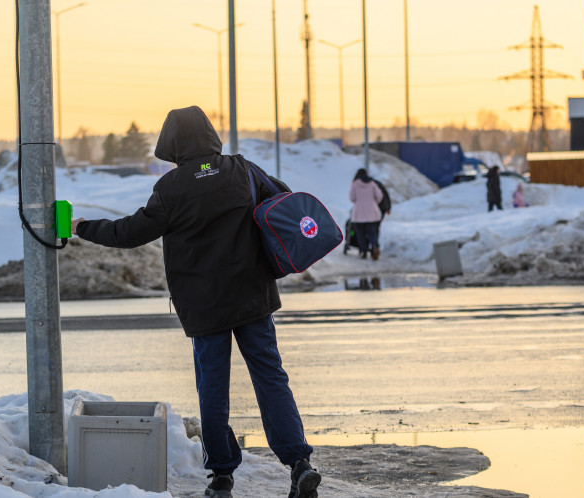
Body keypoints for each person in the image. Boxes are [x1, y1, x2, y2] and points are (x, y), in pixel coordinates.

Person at [71, 106, 321, 498]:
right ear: (209, 135)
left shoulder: (172, 188)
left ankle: (222, 476)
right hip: (253, 296)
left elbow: (130, 232)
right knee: (271, 379)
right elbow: (283, 200)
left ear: (172, 143)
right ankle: (299, 463)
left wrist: (84, 228)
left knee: (213, 390)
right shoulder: (243, 169)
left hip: (204, 307)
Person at [348, 168, 384, 260]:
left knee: (360, 234)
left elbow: (352, 197)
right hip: (372, 212)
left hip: (359, 213)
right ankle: (374, 246)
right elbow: (379, 195)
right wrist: (374, 202)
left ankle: (363, 251)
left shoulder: (355, 184)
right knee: (372, 232)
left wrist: (359, 201)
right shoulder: (372, 183)